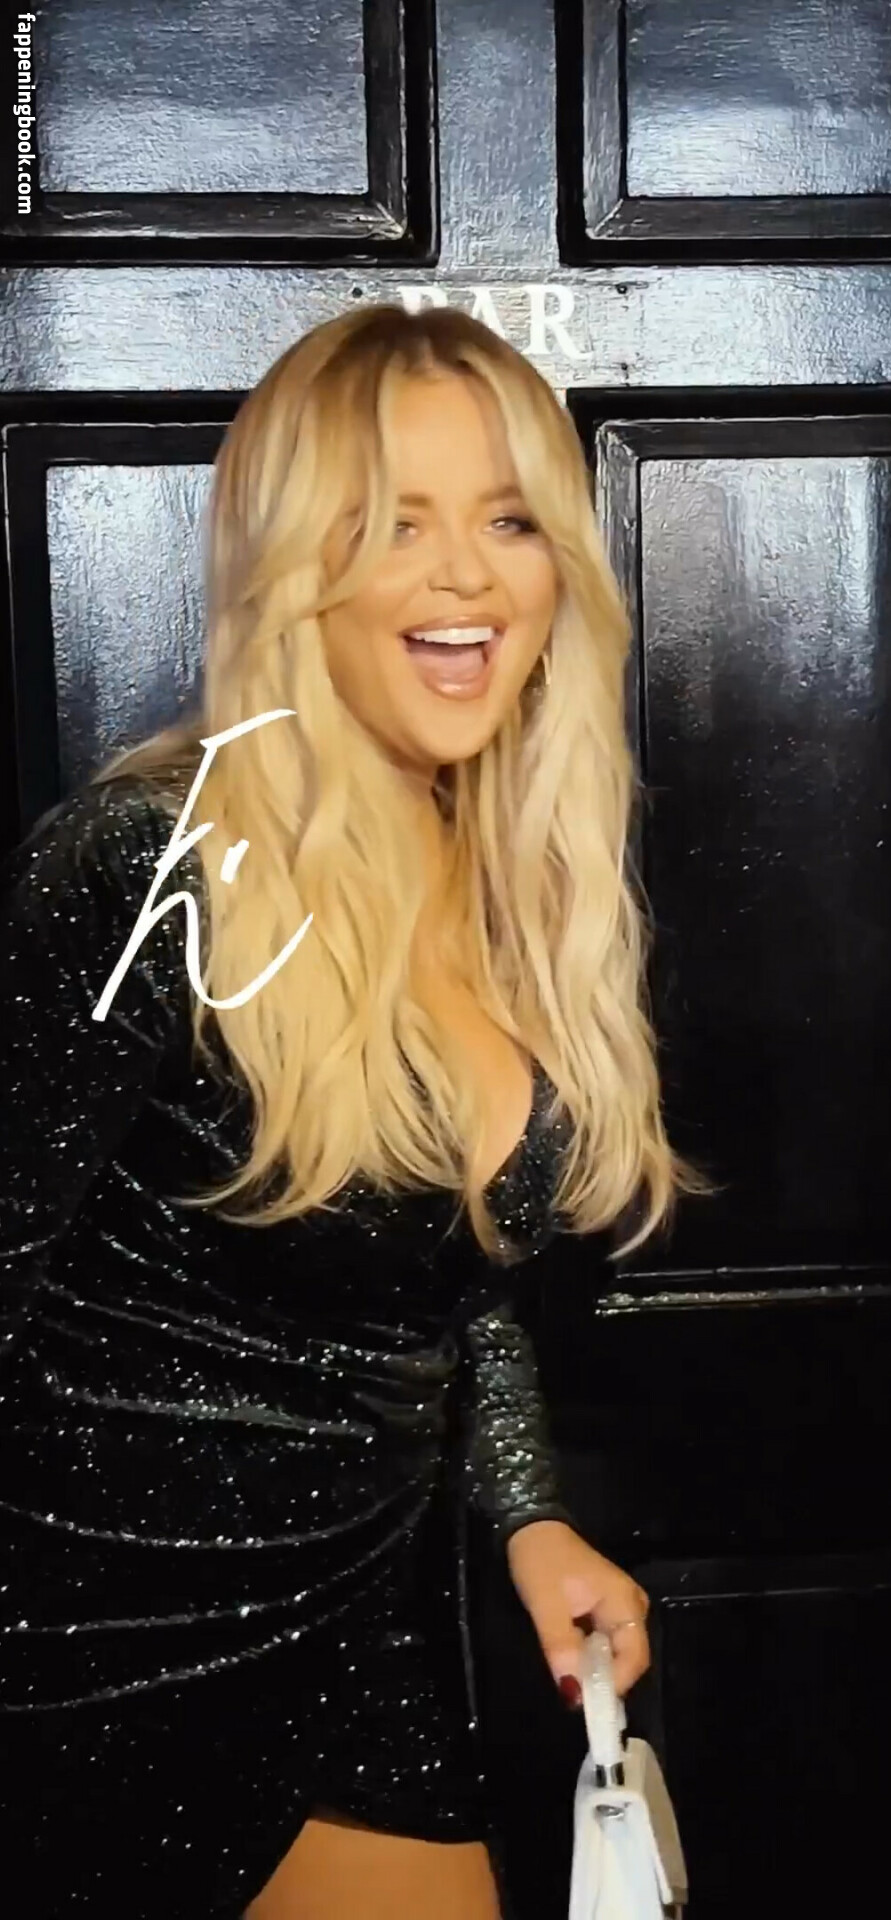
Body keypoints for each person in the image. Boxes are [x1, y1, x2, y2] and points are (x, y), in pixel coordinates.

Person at [0, 305, 714, 1918]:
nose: (467, 576)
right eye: (394, 522)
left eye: (509, 521)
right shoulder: (149, 866)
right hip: (86, 1670)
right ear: (291, 567)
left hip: (360, 1633)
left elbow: (445, 1286)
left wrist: (531, 1523)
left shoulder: (506, 881)